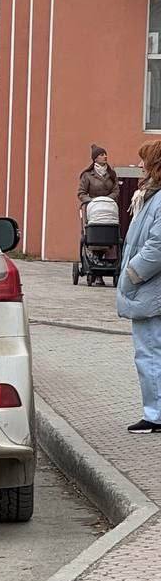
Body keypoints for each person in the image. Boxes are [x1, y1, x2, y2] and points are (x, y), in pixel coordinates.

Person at [117, 139, 161, 434]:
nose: (139, 165)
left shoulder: (157, 200)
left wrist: (133, 273)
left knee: (149, 352)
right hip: (149, 288)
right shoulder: (149, 197)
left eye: (143, 159)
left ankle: (155, 415)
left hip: (150, 289)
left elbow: (157, 246)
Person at [79, 146, 120, 285]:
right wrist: (92, 201)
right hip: (93, 210)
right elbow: (81, 193)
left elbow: (116, 190)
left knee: (108, 235)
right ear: (95, 158)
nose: (105, 157)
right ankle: (95, 264)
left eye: (106, 154)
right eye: (102, 155)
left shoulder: (111, 174)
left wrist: (108, 199)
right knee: (95, 235)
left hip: (108, 209)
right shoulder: (87, 175)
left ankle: (108, 262)